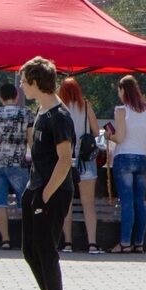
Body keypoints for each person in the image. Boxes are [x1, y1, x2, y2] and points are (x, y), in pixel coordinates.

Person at [19, 56, 74, 290]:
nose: (21, 86)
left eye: (24, 81)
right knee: (29, 249)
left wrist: (45, 195)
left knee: (45, 249)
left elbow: (65, 160)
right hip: (36, 187)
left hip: (52, 191)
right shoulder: (41, 112)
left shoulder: (59, 116)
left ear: (35, 82)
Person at [105, 75, 146, 253]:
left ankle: (125, 243)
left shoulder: (121, 110)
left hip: (123, 158)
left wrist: (108, 136)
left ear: (123, 90)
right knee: (139, 202)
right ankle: (139, 243)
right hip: (141, 158)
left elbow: (119, 137)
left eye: (119, 89)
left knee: (126, 202)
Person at [0, 82, 34, 249]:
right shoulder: (26, 113)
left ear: (0, 97)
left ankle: (5, 239)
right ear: (17, 96)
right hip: (18, 163)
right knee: (25, 201)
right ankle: (27, 238)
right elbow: (31, 140)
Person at [58, 77, 101, 253]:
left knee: (66, 204)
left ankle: (67, 243)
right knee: (88, 204)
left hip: (65, 158)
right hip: (85, 161)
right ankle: (92, 244)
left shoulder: (59, 108)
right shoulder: (86, 105)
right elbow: (97, 131)